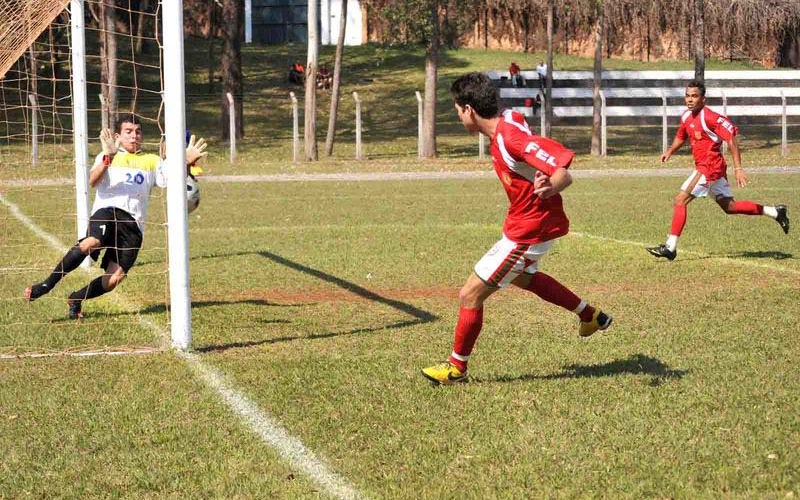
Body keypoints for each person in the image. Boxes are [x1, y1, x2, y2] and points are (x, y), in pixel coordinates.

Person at [421, 72, 612, 386]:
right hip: (525, 223)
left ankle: (456, 370)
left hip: (530, 230)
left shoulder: (510, 137)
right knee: (524, 278)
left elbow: (562, 171)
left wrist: (552, 183)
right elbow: (523, 134)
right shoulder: (510, 120)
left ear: (469, 109)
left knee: (470, 294)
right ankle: (589, 315)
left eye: (457, 110)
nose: (458, 117)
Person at [24, 114, 208, 319]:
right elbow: (92, 180)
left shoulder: (151, 161)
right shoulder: (108, 156)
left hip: (133, 226)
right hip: (107, 212)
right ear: (118, 136)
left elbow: (171, 180)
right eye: (128, 132)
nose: (134, 136)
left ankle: (76, 298)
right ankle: (46, 284)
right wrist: (108, 157)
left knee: (113, 280)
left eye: (138, 132)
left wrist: (186, 162)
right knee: (90, 242)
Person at [646, 80, 789, 261]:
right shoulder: (686, 117)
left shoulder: (711, 117)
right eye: (687, 96)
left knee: (680, 200)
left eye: (694, 96)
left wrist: (738, 168)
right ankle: (775, 212)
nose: (690, 100)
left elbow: (731, 139)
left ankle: (670, 247)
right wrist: (669, 151)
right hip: (711, 169)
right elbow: (681, 135)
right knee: (730, 207)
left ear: (703, 99)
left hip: (709, 167)